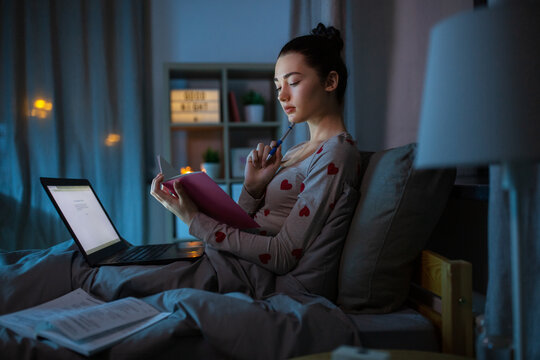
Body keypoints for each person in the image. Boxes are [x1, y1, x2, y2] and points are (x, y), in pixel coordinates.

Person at [151, 23, 361, 300]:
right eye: (278, 86)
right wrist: (252, 188)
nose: (282, 95)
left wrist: (193, 218)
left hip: (248, 275)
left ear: (330, 82)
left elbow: (282, 255)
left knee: (103, 277)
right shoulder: (298, 149)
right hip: (229, 263)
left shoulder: (336, 153)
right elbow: (246, 225)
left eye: (294, 82)